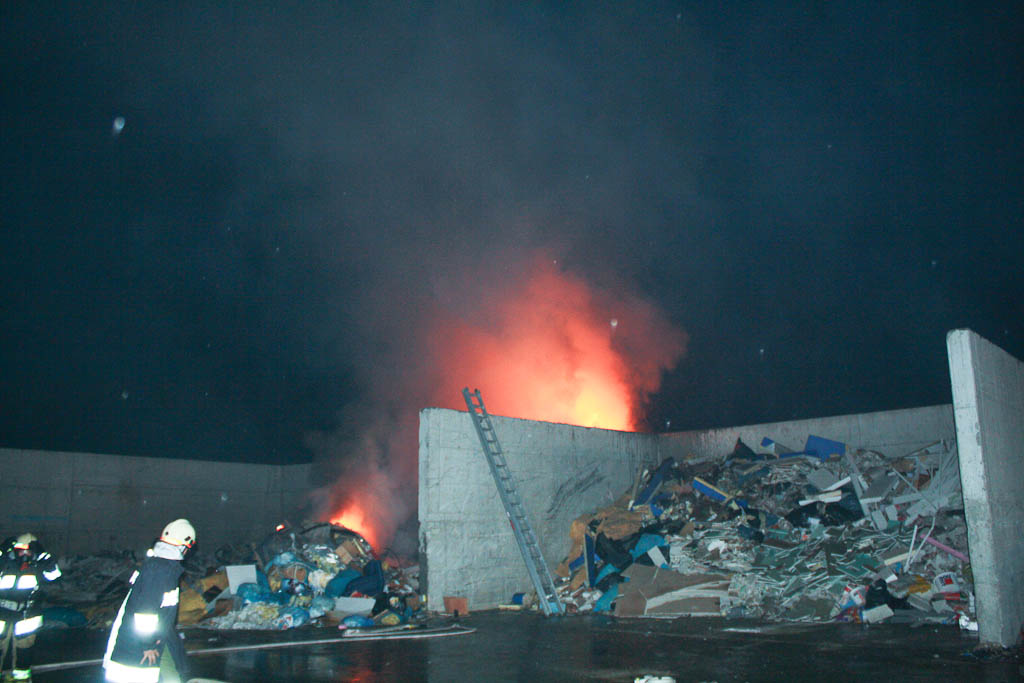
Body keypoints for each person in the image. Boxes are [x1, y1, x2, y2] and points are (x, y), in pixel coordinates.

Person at [102, 519, 195, 683]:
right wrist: (148, 645)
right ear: (185, 546)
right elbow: (146, 612)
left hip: (156, 638)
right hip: (140, 644)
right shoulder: (160, 571)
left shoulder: (165, 568)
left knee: (172, 677)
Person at [0, 533, 62, 682]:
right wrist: (1, 551)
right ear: (14, 551)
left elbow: (55, 574)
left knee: (24, 649)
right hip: (2, 613)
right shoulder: (5, 564)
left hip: (28, 615)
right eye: (21, 551)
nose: (25, 555)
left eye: (29, 551)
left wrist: (43, 555)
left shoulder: (38, 566)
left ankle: (21, 678)